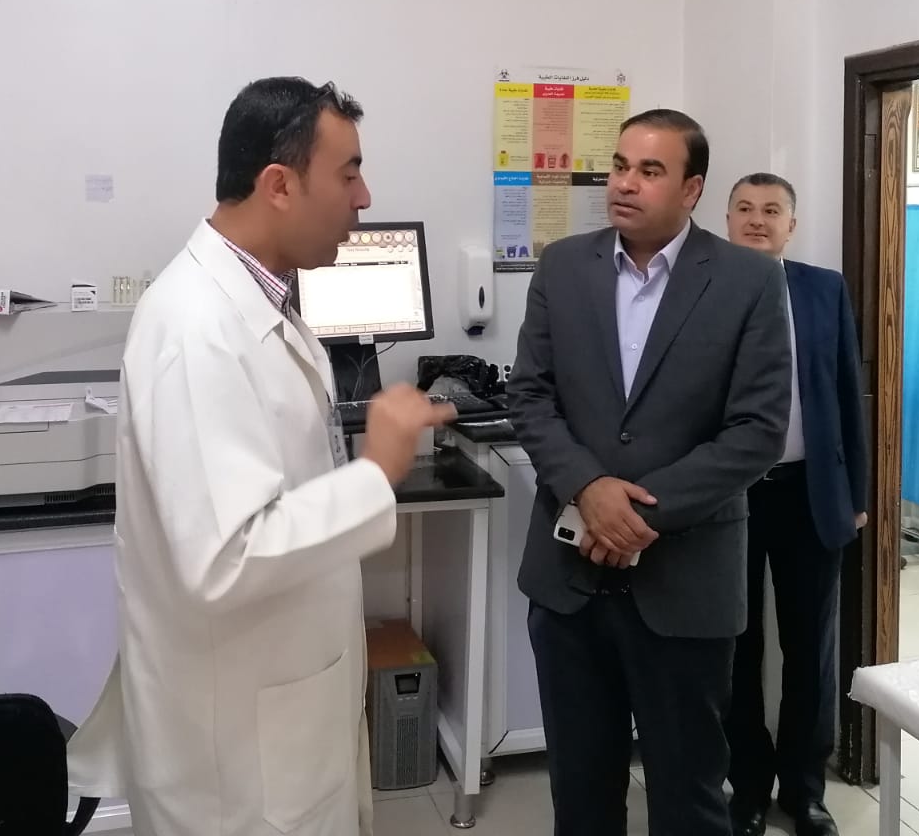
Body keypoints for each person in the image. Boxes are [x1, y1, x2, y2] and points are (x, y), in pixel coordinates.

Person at [66, 77, 456, 836]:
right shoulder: (195, 328)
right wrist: (375, 472)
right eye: (348, 174)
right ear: (279, 185)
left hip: (284, 707)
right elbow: (226, 556)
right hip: (235, 763)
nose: (365, 197)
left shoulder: (267, 304)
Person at [508, 109, 792, 836]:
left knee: (689, 796)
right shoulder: (563, 266)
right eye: (619, 167)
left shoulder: (750, 281)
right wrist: (588, 488)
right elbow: (530, 396)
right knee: (580, 793)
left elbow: (757, 432)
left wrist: (634, 513)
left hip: (685, 582)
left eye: (650, 171)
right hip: (569, 585)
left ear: (692, 189)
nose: (625, 184)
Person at [722, 173, 868, 836]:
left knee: (811, 650)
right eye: (745, 209)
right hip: (730, 496)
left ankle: (805, 790)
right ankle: (747, 787)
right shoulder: (701, 289)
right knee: (737, 648)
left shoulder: (822, 289)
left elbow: (846, 392)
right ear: (727, 220)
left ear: (791, 224)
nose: (758, 220)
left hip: (811, 493)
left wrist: (855, 494)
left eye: (771, 210)